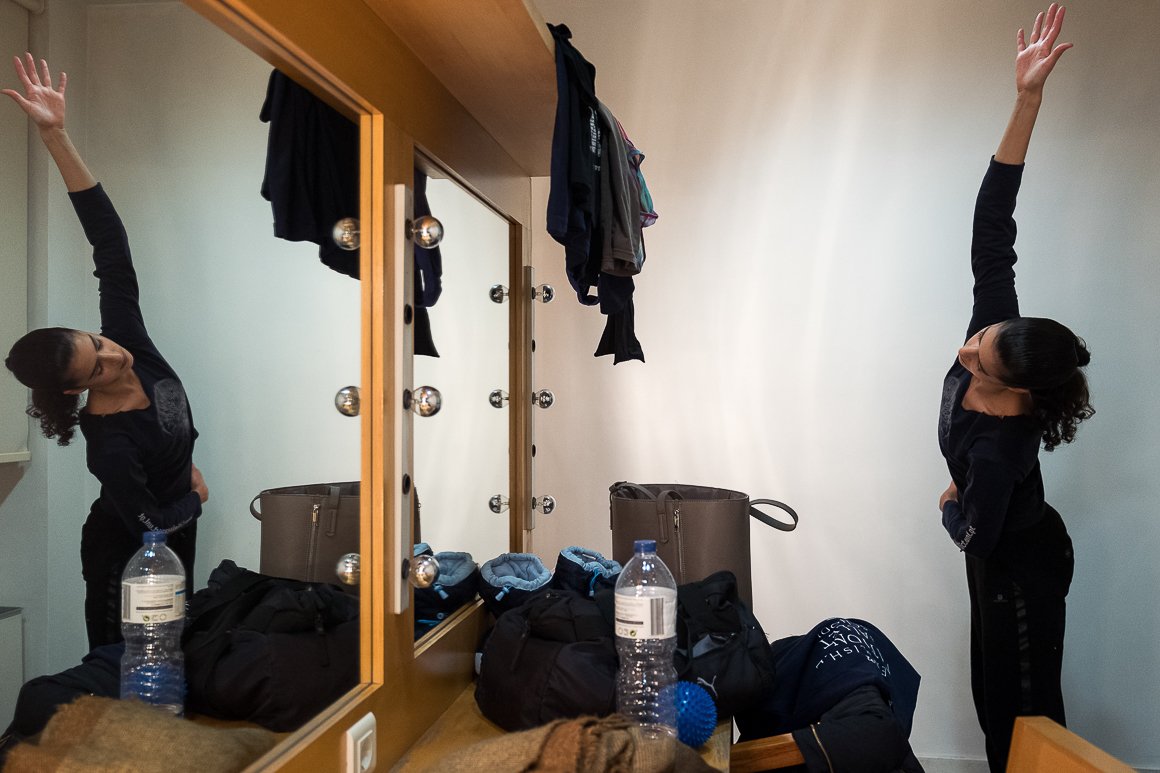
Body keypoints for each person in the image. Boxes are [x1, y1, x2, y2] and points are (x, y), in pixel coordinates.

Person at [3, 54, 207, 650]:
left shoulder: (126, 339)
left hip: (174, 540)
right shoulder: (111, 443)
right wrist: (195, 497)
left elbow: (109, 243)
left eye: (98, 342)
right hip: (128, 557)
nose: (116, 357)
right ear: (76, 389)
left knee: (174, 664)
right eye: (97, 367)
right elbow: (149, 524)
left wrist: (55, 136)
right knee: (130, 672)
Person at [936, 6, 1094, 771]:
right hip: (1003, 551)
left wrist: (949, 503)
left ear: (1014, 391)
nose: (966, 347)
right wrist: (1027, 98)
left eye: (981, 358)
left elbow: (976, 533)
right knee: (994, 702)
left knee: (1023, 717)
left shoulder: (1001, 452)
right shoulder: (998, 334)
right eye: (983, 334)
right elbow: (992, 223)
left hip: (1021, 570)